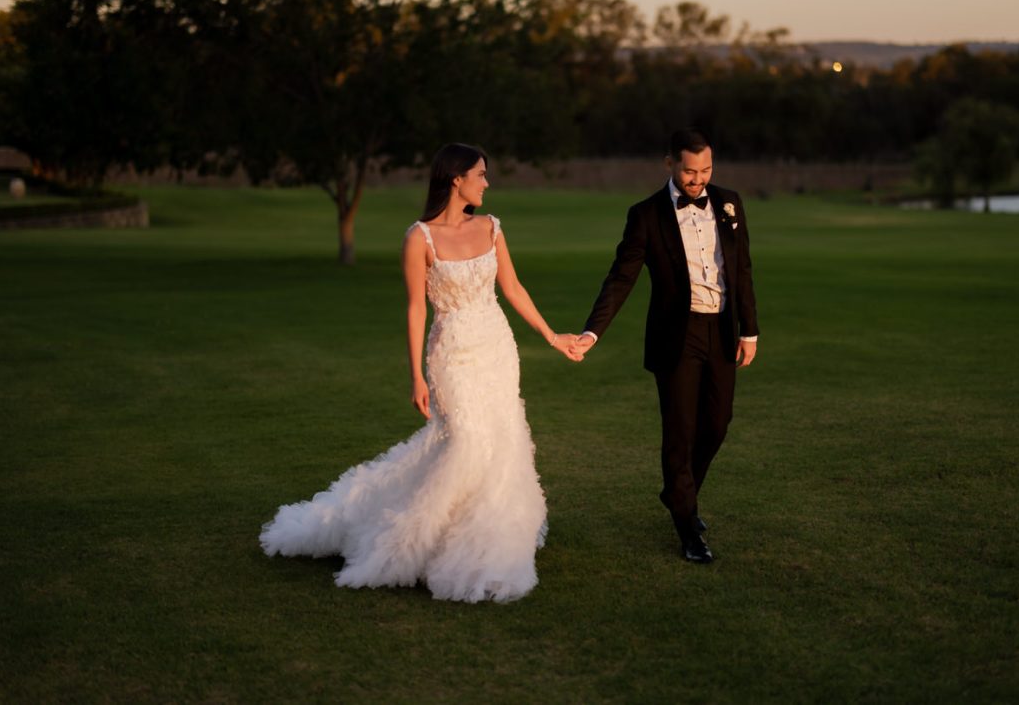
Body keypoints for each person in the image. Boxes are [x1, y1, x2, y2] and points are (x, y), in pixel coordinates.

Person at [261, 143, 580, 602]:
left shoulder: (492, 227)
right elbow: (415, 310)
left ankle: (489, 542)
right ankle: (407, 541)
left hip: (497, 349)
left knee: (501, 442)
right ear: (457, 179)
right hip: (451, 355)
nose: (487, 183)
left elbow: (512, 286)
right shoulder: (419, 238)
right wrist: (416, 376)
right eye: (481, 175)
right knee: (466, 443)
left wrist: (552, 336)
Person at [572, 130, 758, 563]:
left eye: (706, 170)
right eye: (690, 171)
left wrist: (749, 331)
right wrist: (591, 332)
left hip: (722, 330)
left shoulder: (730, 202)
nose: (698, 180)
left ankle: (678, 492)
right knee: (680, 430)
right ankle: (687, 526)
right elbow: (622, 277)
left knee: (717, 423)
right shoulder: (645, 215)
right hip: (677, 335)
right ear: (670, 164)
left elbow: (742, 268)